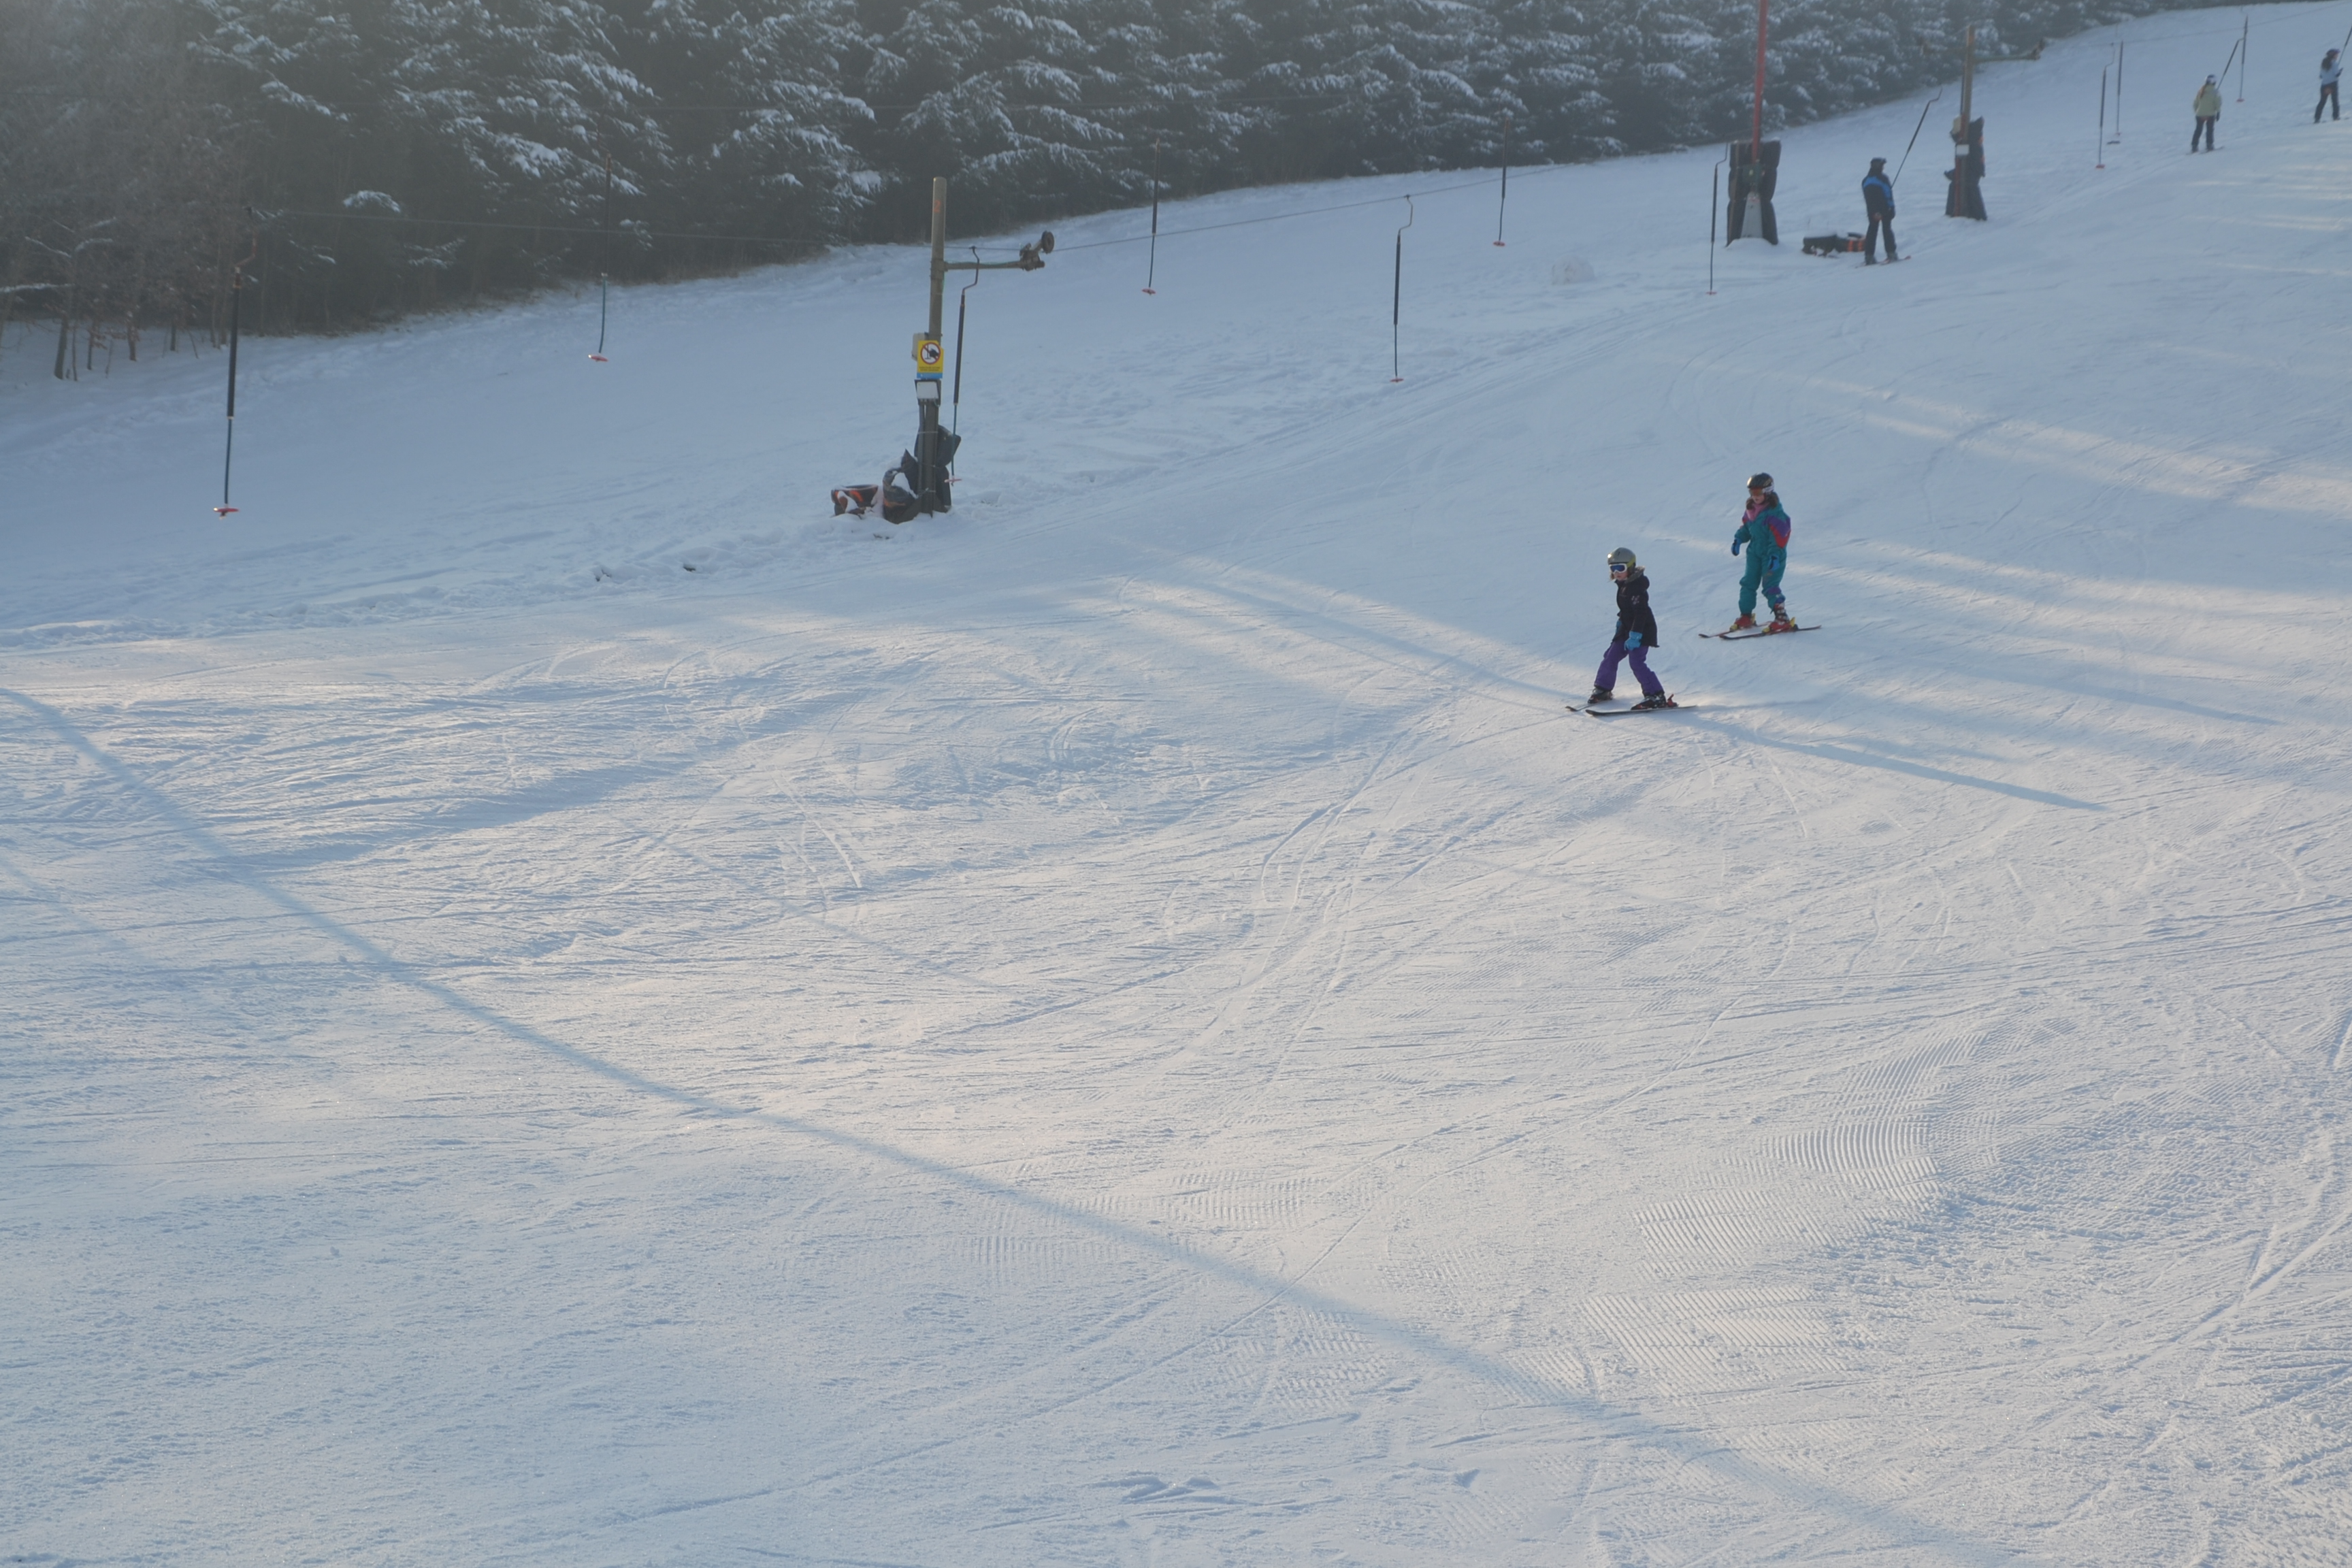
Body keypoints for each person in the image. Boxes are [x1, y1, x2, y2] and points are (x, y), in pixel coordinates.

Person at [1588, 547, 1673, 709]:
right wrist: (1621, 623)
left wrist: (1635, 635)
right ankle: (1603, 689)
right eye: (1613, 568)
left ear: (1631, 567)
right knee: (1610, 657)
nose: (1616, 572)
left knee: (1636, 662)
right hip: (1626, 630)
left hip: (1642, 631)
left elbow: (1641, 614)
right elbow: (1627, 610)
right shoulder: (1624, 585)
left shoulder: (1636, 588)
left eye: (1620, 568)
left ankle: (1656, 695)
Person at [1727, 474, 1793, 632]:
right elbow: (1747, 528)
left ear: (1767, 491)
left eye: (1758, 492)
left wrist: (1775, 555)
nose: (1755, 496)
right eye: (1752, 492)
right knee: (1748, 583)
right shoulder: (1751, 509)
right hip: (1754, 553)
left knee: (1770, 585)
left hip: (1772, 556)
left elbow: (1780, 537)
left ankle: (1782, 618)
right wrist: (1738, 539)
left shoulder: (1776, 514)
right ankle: (1746, 615)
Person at [1861, 157, 1899, 263]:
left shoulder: (1865, 180)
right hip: (1885, 209)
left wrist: (1873, 211)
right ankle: (1891, 254)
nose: (1883, 168)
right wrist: (1891, 208)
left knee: (1872, 231)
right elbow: (1888, 194)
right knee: (1887, 230)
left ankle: (1869, 256)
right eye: (1882, 166)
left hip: (1872, 211)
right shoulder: (1883, 179)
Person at [2193, 75, 2222, 151]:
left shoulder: (2201, 91)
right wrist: (2218, 112)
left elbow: (2195, 103)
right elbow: (2218, 103)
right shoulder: (2215, 92)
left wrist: (2197, 112)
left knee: (2198, 130)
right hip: (2210, 115)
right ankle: (2209, 145)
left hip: (2199, 115)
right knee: (2210, 130)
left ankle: (2194, 146)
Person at [2319, 50, 2342, 122]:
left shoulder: (2324, 63)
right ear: (2333, 56)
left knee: (2322, 101)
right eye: (2336, 55)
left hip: (2324, 85)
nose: (2337, 56)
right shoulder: (2334, 63)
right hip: (2333, 84)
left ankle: (2317, 118)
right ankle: (2336, 117)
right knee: (2335, 101)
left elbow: (2321, 76)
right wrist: (2340, 71)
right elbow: (2337, 74)